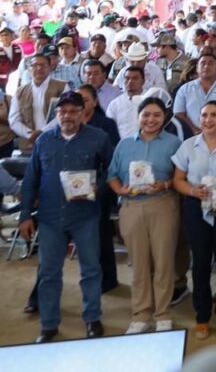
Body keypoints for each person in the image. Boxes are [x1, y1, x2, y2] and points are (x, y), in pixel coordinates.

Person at [17, 91, 113, 343]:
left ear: (82, 113)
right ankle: (48, 325)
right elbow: (31, 178)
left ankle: (92, 318)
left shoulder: (99, 138)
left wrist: (98, 188)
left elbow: (111, 170)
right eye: (62, 112)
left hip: (85, 216)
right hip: (50, 218)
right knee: (49, 273)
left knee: (90, 270)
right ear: (56, 114)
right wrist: (25, 214)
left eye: (72, 111)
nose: (67, 116)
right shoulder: (44, 141)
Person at [107, 96, 183, 333]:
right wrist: (120, 190)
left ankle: (162, 313)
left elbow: (182, 177)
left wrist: (165, 184)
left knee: (163, 261)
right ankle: (141, 314)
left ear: (164, 117)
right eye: (146, 115)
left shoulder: (174, 143)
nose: (151, 119)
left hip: (163, 204)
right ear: (138, 116)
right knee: (139, 263)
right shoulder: (124, 144)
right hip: (131, 207)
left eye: (157, 115)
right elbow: (111, 175)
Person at [172, 101, 216, 340]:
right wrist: (193, 191)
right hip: (196, 207)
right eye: (204, 115)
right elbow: (178, 180)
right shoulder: (189, 145)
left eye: (213, 115)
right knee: (200, 263)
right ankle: (202, 315)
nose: (208, 120)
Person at [10, 52, 68, 153]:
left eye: (43, 65)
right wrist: (29, 134)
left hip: (55, 142)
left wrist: (42, 132)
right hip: (29, 144)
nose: (39, 68)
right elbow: (14, 120)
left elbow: (65, 114)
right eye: (35, 65)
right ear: (29, 69)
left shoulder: (62, 87)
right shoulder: (20, 92)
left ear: (50, 68)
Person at [173, 52, 216, 135]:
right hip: (191, 135)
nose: (206, 66)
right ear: (197, 68)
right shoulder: (184, 89)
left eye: (210, 63)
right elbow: (179, 113)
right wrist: (194, 130)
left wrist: (214, 129)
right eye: (203, 63)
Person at [105, 66, 145, 138]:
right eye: (127, 78)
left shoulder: (152, 100)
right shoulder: (115, 104)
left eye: (135, 78)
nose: (130, 81)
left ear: (143, 81)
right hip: (122, 143)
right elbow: (109, 128)